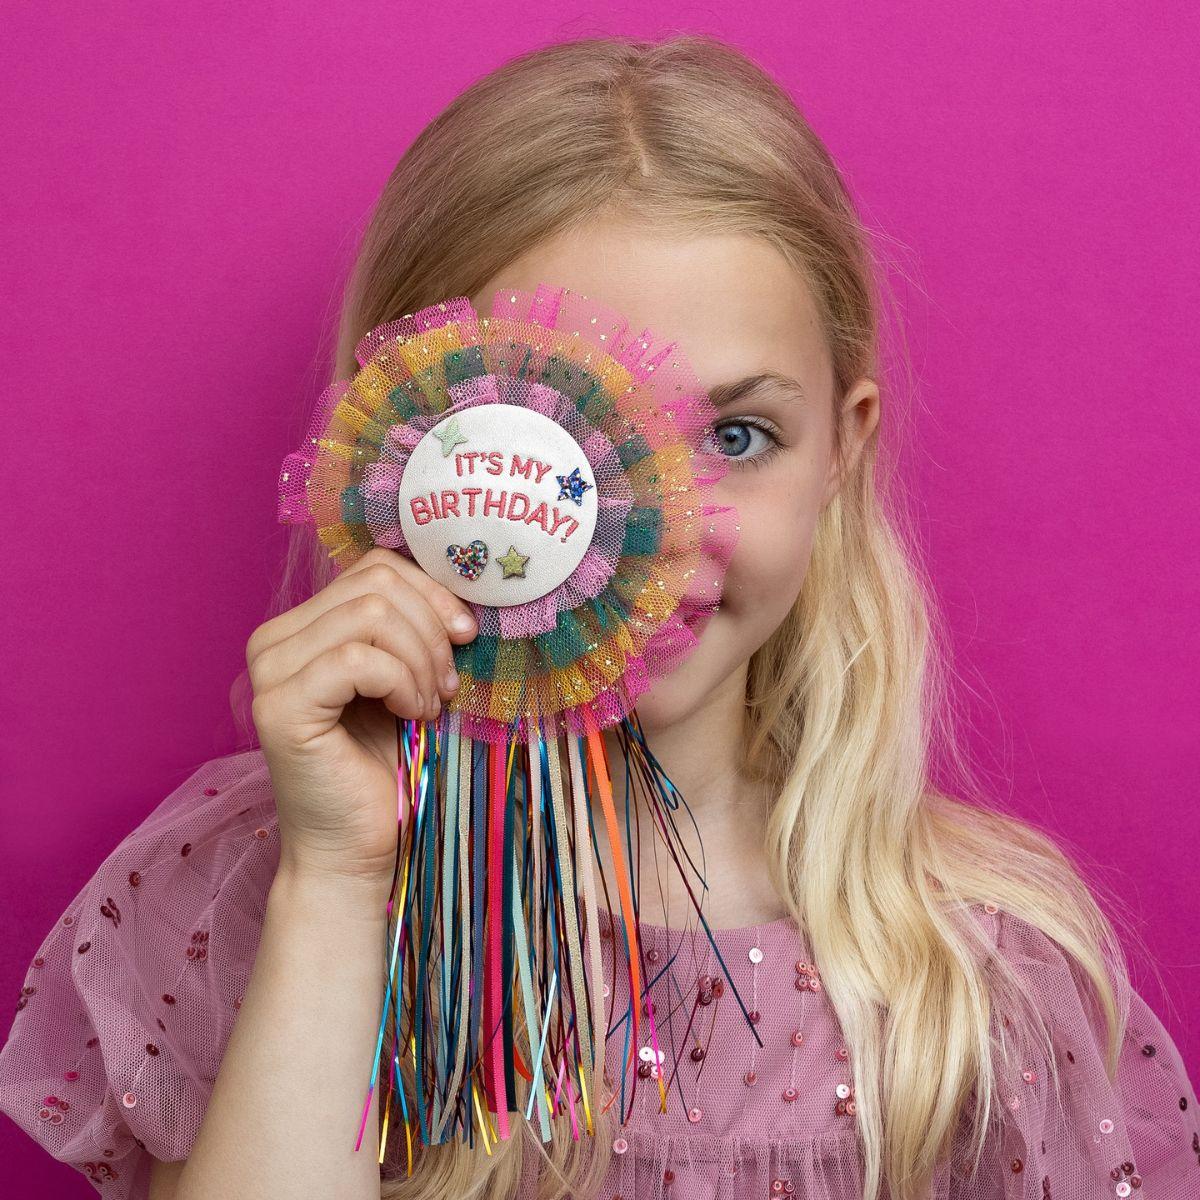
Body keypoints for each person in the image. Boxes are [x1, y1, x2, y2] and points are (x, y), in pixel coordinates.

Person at [1, 31, 1196, 1200]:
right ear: (406, 438)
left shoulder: (984, 980)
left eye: (736, 437)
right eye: (572, 437)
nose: (657, 533)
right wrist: (338, 884)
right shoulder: (245, 896)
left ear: (843, 448)